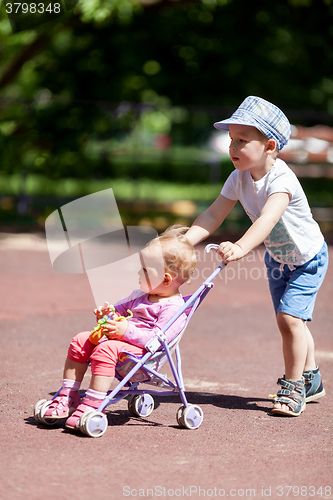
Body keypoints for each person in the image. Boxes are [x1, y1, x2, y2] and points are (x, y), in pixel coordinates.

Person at [186, 96, 328, 417]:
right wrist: (187, 240)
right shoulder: (238, 177)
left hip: (308, 259)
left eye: (242, 140)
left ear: (269, 146)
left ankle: (293, 387)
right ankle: (312, 379)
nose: (233, 147)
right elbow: (213, 214)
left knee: (289, 319)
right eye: (231, 140)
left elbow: (267, 219)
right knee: (292, 321)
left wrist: (240, 246)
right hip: (278, 259)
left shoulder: (282, 180)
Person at [42, 225, 196, 429]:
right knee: (81, 339)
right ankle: (68, 396)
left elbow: (157, 340)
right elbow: (119, 310)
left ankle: (93, 404)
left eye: (145, 270)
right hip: (122, 347)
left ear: (165, 279)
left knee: (106, 348)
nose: (138, 273)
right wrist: (108, 315)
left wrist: (125, 331)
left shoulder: (174, 309)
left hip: (143, 358)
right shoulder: (139, 296)